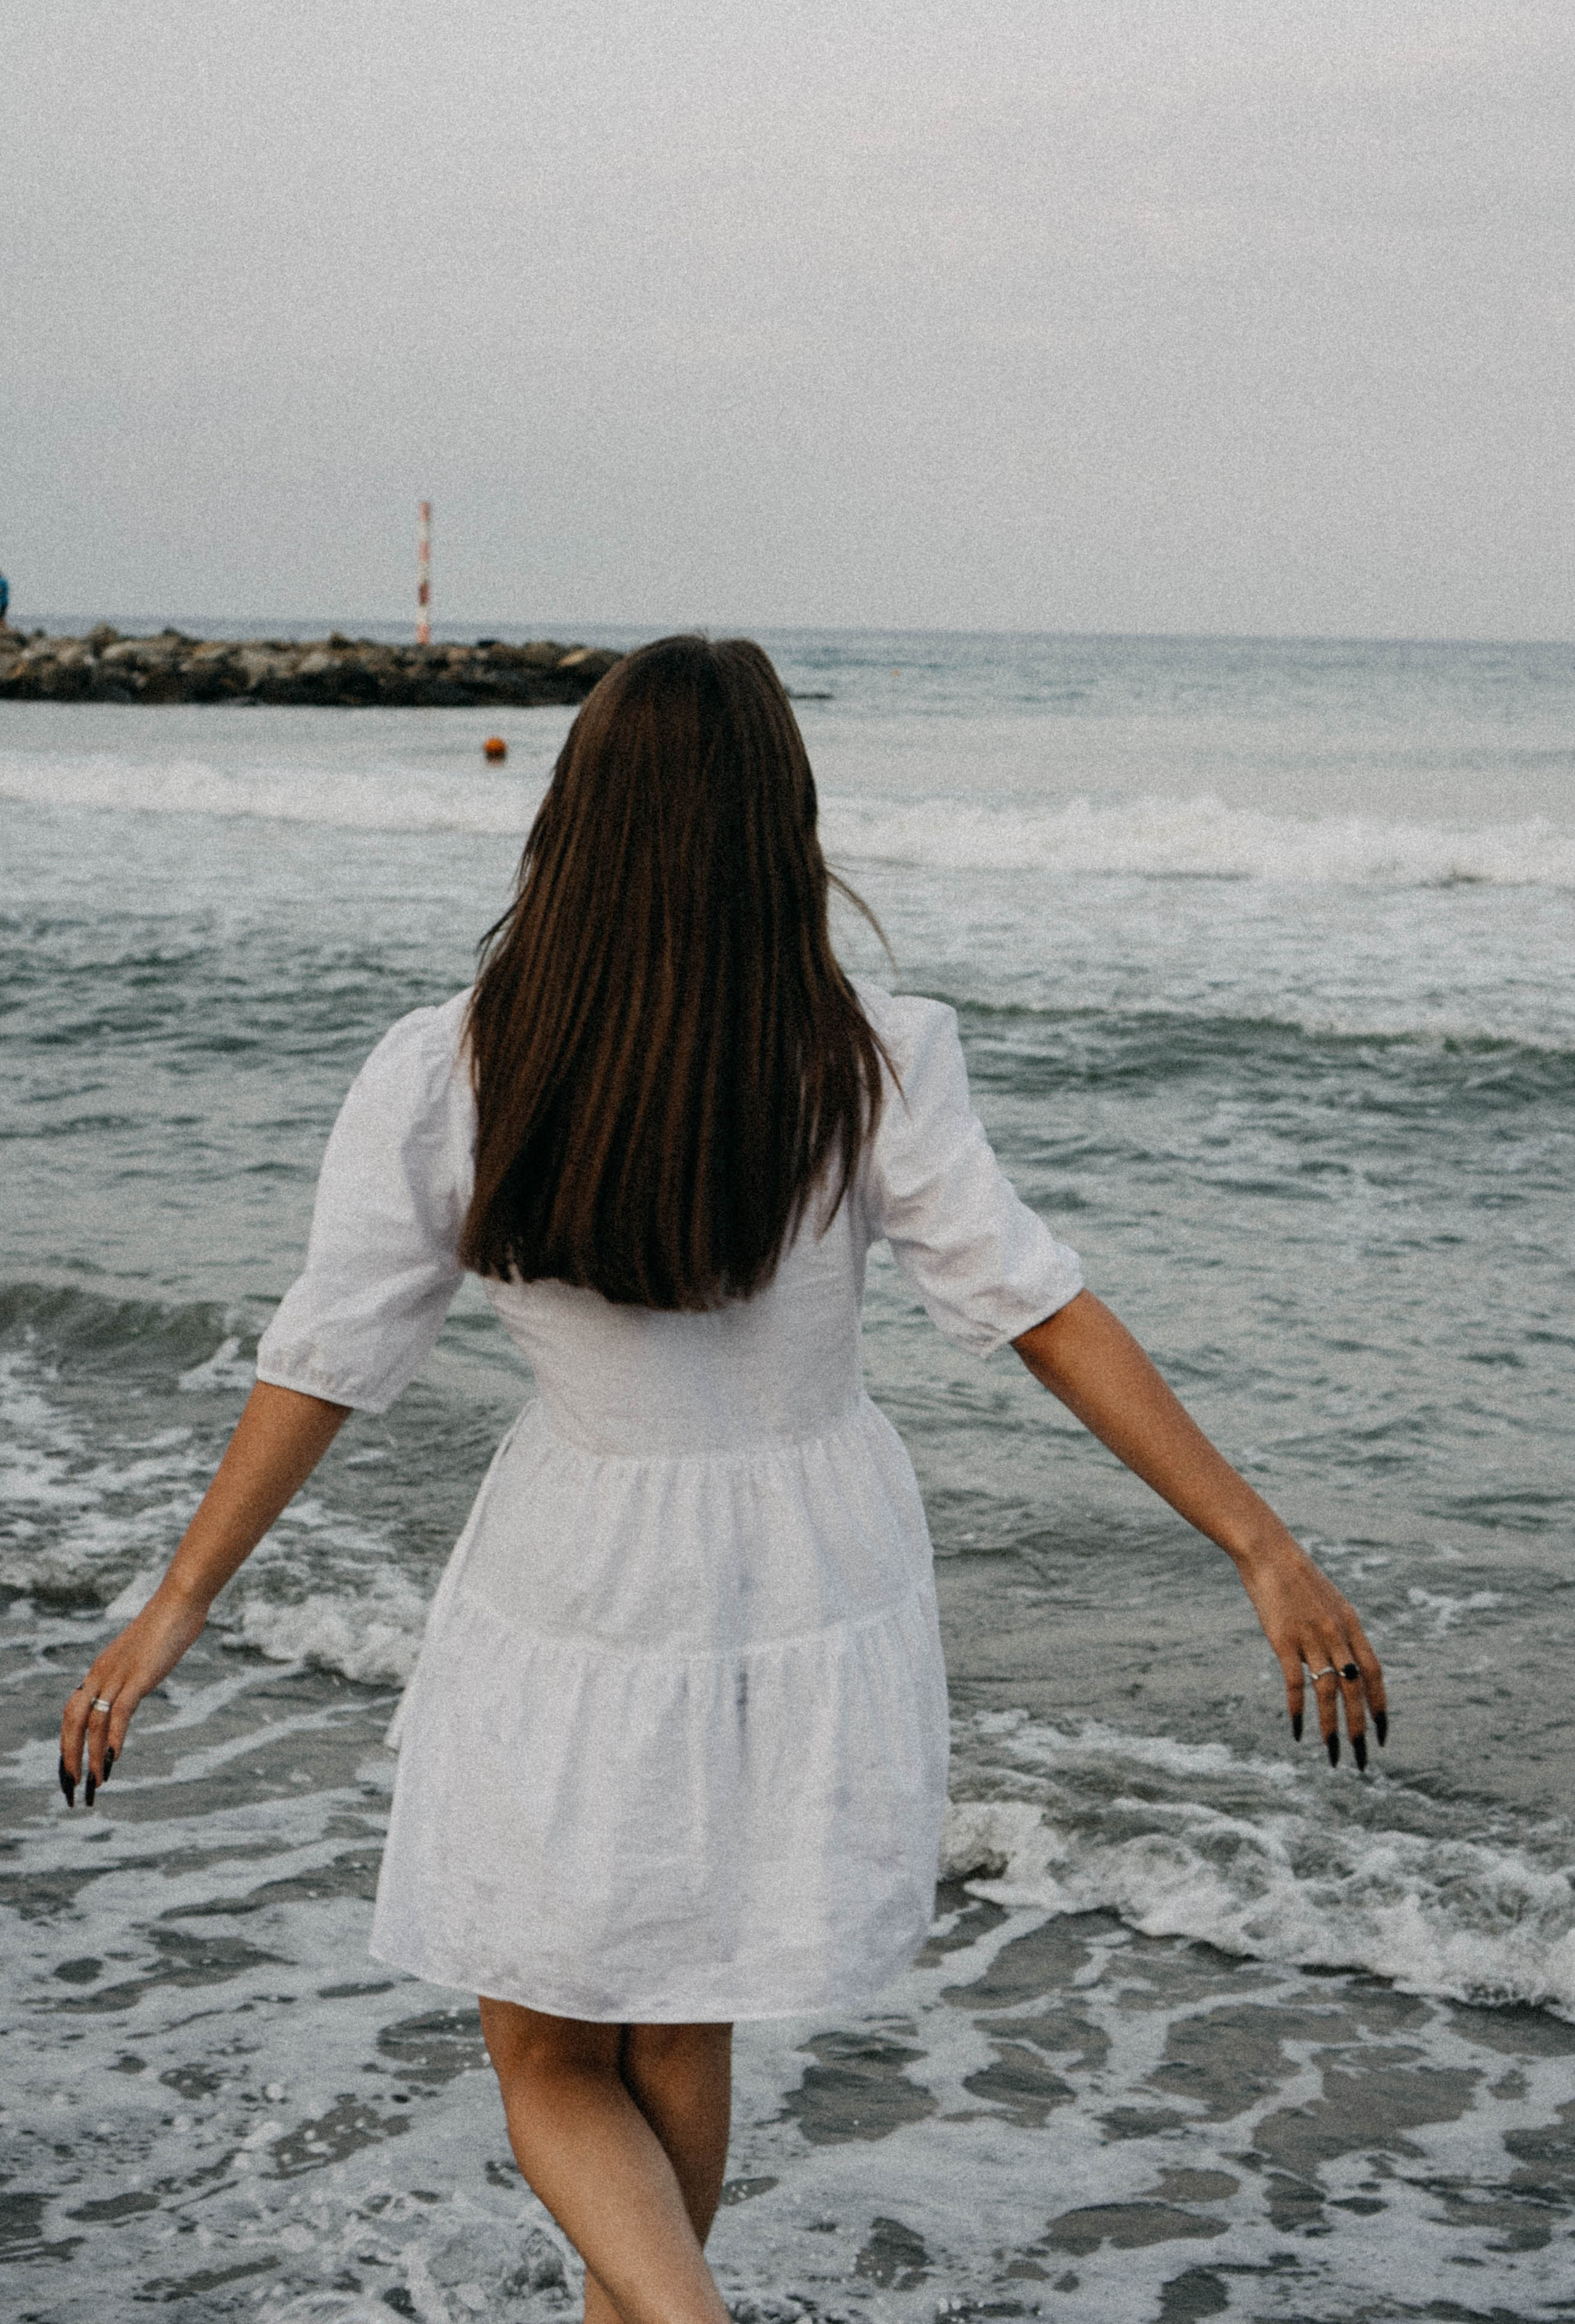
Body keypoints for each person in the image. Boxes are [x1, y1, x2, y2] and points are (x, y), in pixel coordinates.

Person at [58, 635, 1386, 2324]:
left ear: (574, 820)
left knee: (549, 2049)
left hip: (580, 1571)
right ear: (782, 828)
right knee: (680, 2023)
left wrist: (178, 1600)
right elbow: (1042, 1313)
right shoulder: (865, 1058)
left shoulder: (459, 1068)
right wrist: (1259, 1545)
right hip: (810, 1571)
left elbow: (327, 1357)